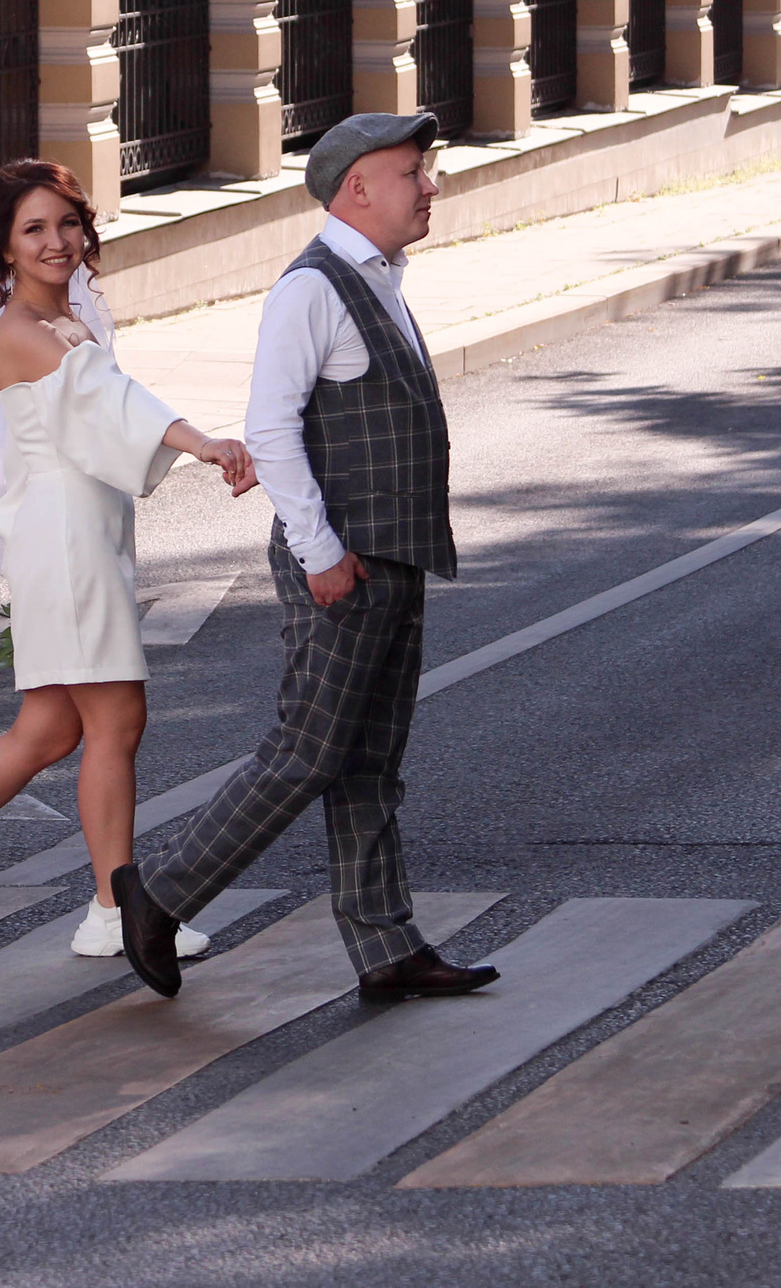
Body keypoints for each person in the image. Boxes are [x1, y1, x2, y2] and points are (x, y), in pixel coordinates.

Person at [110, 113, 499, 1001]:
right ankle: (159, 893)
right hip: (342, 563)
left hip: (391, 556)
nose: (431, 186)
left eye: (426, 170)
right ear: (356, 187)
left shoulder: (380, 277)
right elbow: (273, 430)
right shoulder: (312, 289)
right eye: (412, 172)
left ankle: (386, 945)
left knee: (370, 759)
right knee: (309, 750)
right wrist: (320, 552)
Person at [0, 159, 256, 960]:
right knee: (117, 719)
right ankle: (113, 910)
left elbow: (103, 413)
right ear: (4, 247)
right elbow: (116, 403)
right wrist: (204, 442)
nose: (56, 241)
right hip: (66, 542)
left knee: (45, 729)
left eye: (67, 222)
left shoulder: (67, 319)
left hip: (80, 533)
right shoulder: (21, 333)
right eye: (33, 228)